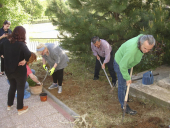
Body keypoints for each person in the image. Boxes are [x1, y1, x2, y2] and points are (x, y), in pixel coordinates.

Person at [114, 34, 155, 115]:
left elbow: (142, 35)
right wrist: (127, 77)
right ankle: (124, 106)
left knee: (126, 84)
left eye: (149, 49)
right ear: (140, 43)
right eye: (145, 48)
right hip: (120, 64)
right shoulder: (131, 51)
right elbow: (122, 65)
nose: (146, 51)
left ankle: (126, 97)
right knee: (122, 85)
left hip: (127, 62)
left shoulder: (144, 38)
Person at [0, 26, 31, 115]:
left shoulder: (5, 42)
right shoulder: (21, 44)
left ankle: (9, 105)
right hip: (19, 71)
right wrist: (25, 60)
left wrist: (3, 55)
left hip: (8, 70)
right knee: (20, 88)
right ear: (22, 34)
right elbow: (28, 53)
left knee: (12, 86)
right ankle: (20, 108)